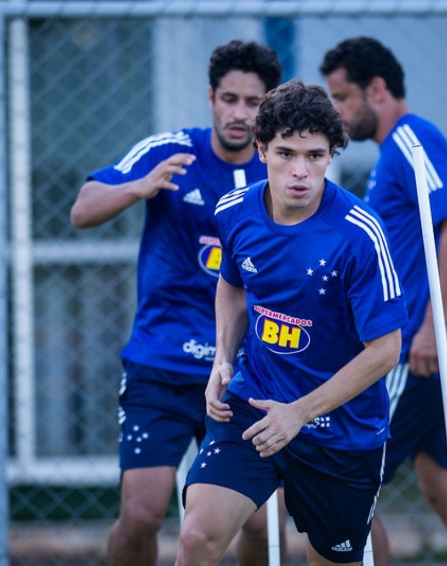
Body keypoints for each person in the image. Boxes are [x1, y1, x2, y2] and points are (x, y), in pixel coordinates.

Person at [175, 79, 408, 566]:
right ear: (259, 149)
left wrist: (299, 412)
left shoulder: (360, 234)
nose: (300, 171)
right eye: (285, 153)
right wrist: (222, 358)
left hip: (340, 430)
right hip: (254, 403)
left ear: (331, 155)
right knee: (197, 537)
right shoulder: (234, 212)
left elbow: (385, 350)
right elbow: (233, 285)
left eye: (316, 155)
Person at [70, 40, 283, 566]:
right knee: (142, 515)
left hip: (244, 371)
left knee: (259, 522)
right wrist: (138, 188)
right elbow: (82, 210)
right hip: (161, 363)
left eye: (253, 102)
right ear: (210, 97)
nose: (239, 113)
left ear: (268, 104)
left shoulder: (281, 168)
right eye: (228, 98)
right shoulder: (169, 151)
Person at [320, 37, 447, 566]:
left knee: (348, 485)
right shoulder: (394, 152)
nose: (335, 110)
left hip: (420, 352)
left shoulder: (410, 140)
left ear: (377, 90)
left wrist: (428, 330)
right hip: (446, 351)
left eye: (341, 96)